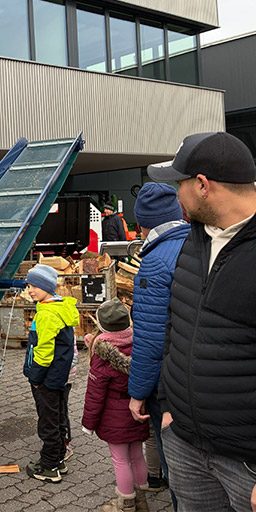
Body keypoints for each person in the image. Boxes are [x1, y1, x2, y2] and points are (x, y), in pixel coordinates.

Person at [148, 132, 256, 512]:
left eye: (178, 183)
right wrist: (169, 407)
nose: (175, 194)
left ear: (202, 185)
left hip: (247, 466)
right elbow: (175, 327)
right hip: (183, 441)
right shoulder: (193, 240)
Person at [127, 182, 189, 505]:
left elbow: (149, 339)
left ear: (141, 224)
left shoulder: (153, 261)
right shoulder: (196, 244)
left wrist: (137, 392)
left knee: (179, 473)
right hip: (195, 378)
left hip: (167, 388)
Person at [82, 298, 150, 512]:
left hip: (114, 416)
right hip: (138, 410)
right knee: (137, 454)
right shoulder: (139, 343)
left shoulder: (102, 354)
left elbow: (95, 393)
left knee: (120, 459)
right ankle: (141, 500)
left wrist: (88, 423)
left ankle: (126, 505)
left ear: (101, 326)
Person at [23, 264, 79, 483]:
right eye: (28, 285)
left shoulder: (46, 314)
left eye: (35, 285)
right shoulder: (59, 307)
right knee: (57, 417)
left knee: (48, 422)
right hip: (61, 377)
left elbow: (44, 353)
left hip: (47, 379)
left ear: (47, 286)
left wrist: (35, 378)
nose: (30, 290)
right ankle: (59, 459)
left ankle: (49, 467)